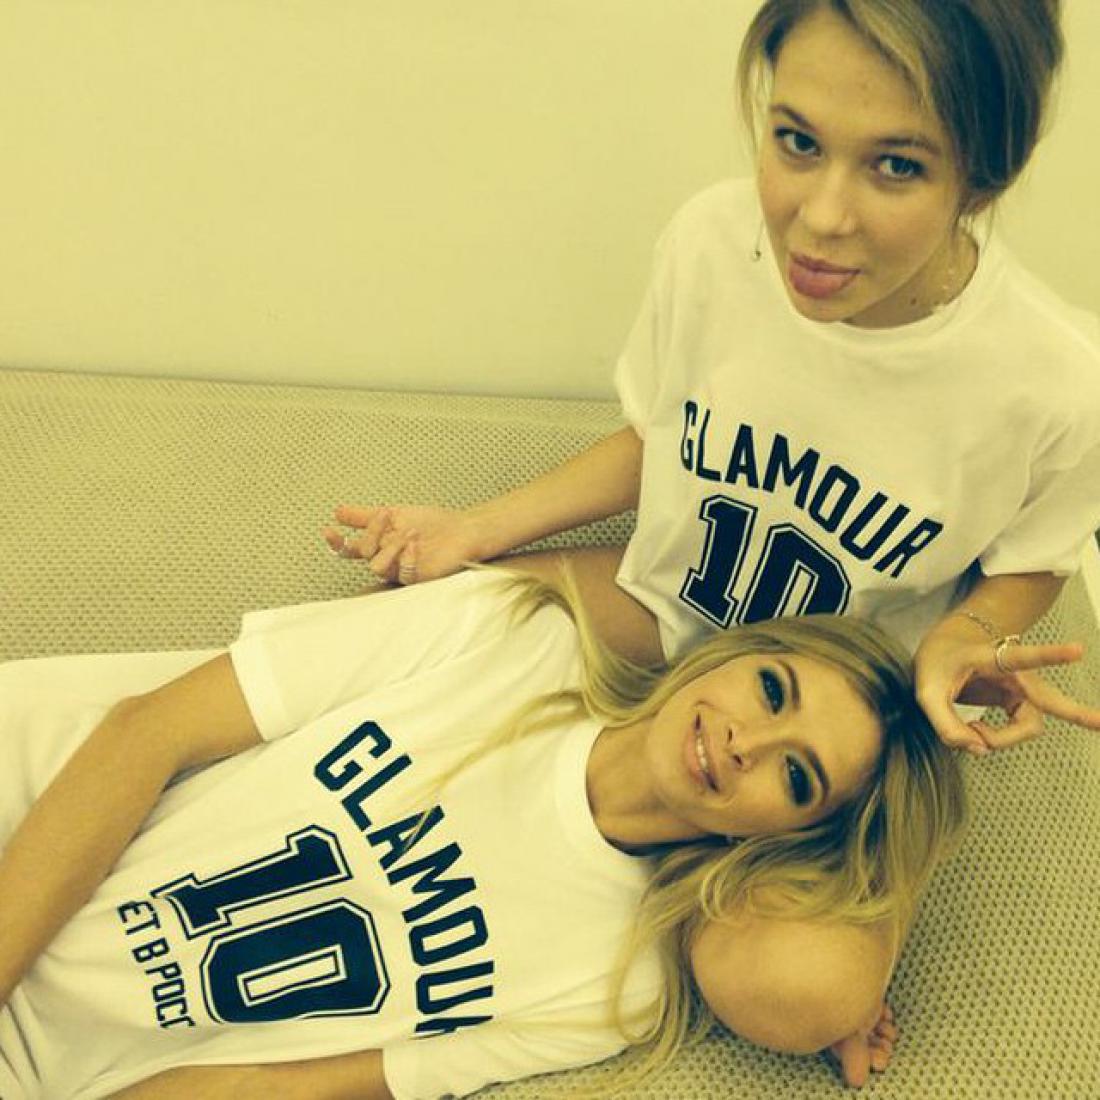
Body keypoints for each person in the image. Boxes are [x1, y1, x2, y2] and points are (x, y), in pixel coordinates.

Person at [324, 0, 1100, 756]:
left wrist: (966, 634)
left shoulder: (1059, 380)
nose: (822, 218)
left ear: (984, 175)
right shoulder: (711, 244)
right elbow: (662, 438)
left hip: (834, 708)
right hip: (666, 608)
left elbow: (1033, 559)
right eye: (798, 141)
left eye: (897, 165)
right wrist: (475, 530)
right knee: (372, 639)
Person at [0, 566, 969, 1099]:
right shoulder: (514, 637)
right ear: (734, 653)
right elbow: (148, 731)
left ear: (792, 834)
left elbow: (285, 1084)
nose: (746, 741)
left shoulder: (622, 985)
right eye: (770, 688)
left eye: (796, 776)